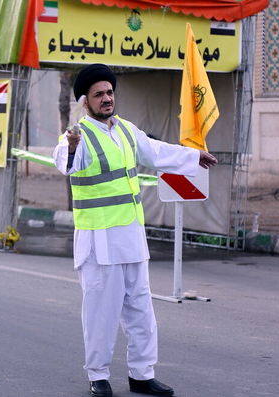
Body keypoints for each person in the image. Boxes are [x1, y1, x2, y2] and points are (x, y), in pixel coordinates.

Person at [53, 64, 218, 397]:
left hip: (130, 237)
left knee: (141, 310)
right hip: (99, 243)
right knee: (101, 314)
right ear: (86, 101)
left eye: (110, 92)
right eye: (99, 94)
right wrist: (70, 146)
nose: (107, 98)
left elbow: (156, 152)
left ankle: (142, 374)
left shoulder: (126, 130)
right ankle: (97, 376)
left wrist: (192, 157)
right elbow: (65, 163)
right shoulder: (79, 136)